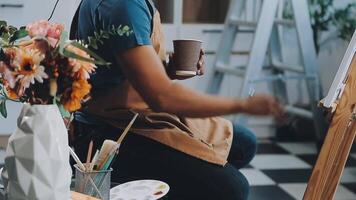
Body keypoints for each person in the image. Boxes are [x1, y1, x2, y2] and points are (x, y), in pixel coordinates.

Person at [70, 0, 283, 199]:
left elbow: (127, 73)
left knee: (244, 143)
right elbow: (162, 96)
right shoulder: (124, 6)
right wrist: (243, 105)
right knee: (234, 188)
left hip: (132, 112)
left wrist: (168, 70)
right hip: (109, 129)